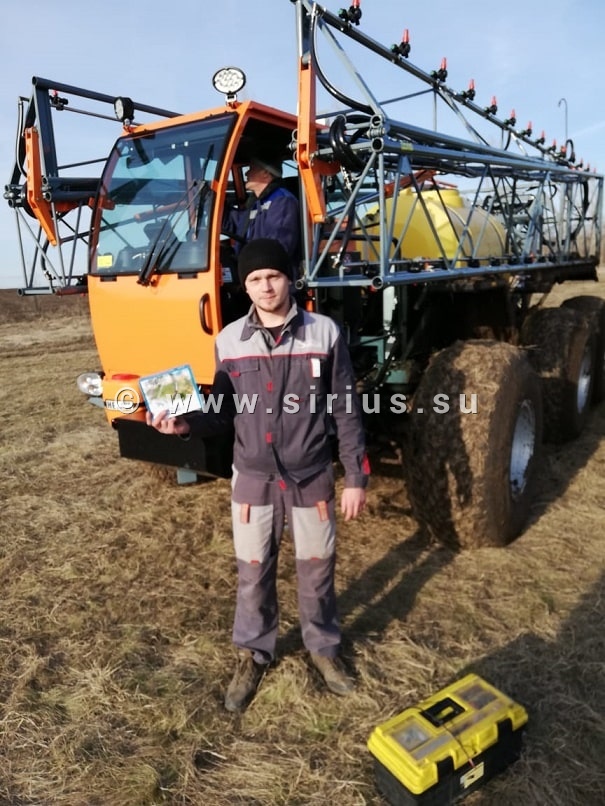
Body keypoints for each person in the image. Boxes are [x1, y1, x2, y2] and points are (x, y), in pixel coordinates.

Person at [147, 237, 369, 712]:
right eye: (255, 279)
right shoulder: (228, 341)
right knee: (253, 574)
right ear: (244, 287)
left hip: (311, 476)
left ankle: (324, 650)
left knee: (317, 569)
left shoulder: (324, 333)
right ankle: (253, 653)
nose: (266, 287)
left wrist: (355, 477)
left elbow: (347, 410)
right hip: (252, 479)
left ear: (289, 279)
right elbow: (224, 412)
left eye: (273, 276)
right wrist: (185, 425)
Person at [224, 155, 301, 275]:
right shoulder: (256, 204)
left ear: (265, 173)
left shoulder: (282, 201)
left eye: (251, 168)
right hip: (254, 273)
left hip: (272, 278)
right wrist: (212, 200)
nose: (247, 173)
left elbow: (278, 248)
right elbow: (234, 224)